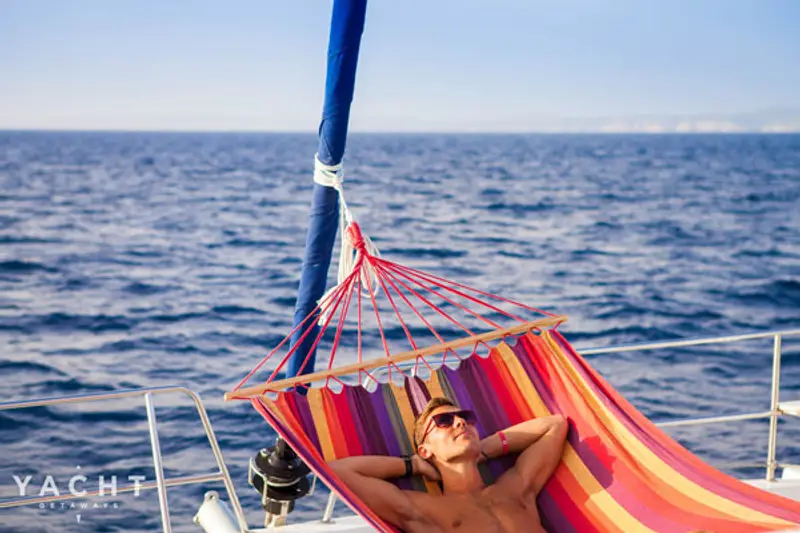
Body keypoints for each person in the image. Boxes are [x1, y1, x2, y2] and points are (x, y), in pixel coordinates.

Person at [329, 397, 568, 532]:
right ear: (425, 450)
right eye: (444, 421)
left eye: (466, 418)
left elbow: (555, 425)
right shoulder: (424, 509)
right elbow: (339, 472)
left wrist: (482, 448)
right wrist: (413, 465)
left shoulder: (514, 488)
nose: (460, 423)